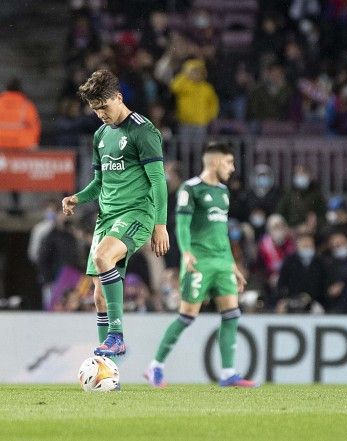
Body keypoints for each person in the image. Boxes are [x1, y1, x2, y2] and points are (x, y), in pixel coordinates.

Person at [61, 69, 169, 358]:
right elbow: (99, 183)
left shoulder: (143, 131)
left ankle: (117, 337)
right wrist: (77, 197)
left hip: (136, 213)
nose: (101, 114)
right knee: (98, 298)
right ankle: (108, 369)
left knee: (102, 257)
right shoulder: (100, 135)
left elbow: (158, 180)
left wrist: (161, 225)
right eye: (95, 110)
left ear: (118, 97)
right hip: (107, 218)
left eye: (104, 107)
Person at [144, 142, 257, 388]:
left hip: (221, 262)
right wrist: (186, 253)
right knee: (187, 316)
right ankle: (155, 367)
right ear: (215, 162)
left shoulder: (224, 192)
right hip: (199, 261)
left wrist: (232, 265)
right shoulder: (190, 189)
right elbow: (181, 226)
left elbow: (222, 232)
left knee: (231, 314)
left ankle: (228, 373)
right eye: (229, 162)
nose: (233, 167)